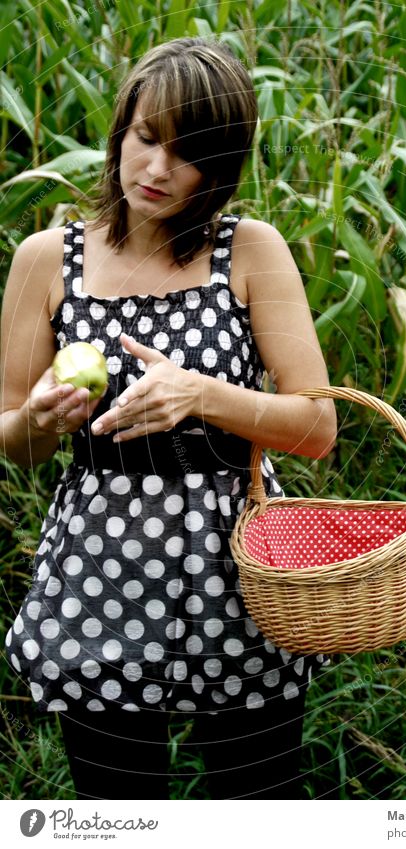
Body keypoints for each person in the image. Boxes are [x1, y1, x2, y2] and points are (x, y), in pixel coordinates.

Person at [1, 36, 336, 800]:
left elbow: (317, 427)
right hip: (101, 571)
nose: (156, 171)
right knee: (119, 807)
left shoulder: (249, 250)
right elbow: (12, 440)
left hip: (240, 568)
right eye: (146, 138)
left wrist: (202, 395)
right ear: (120, 129)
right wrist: (46, 420)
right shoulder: (45, 260)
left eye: (187, 154)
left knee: (259, 801)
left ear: (220, 166)